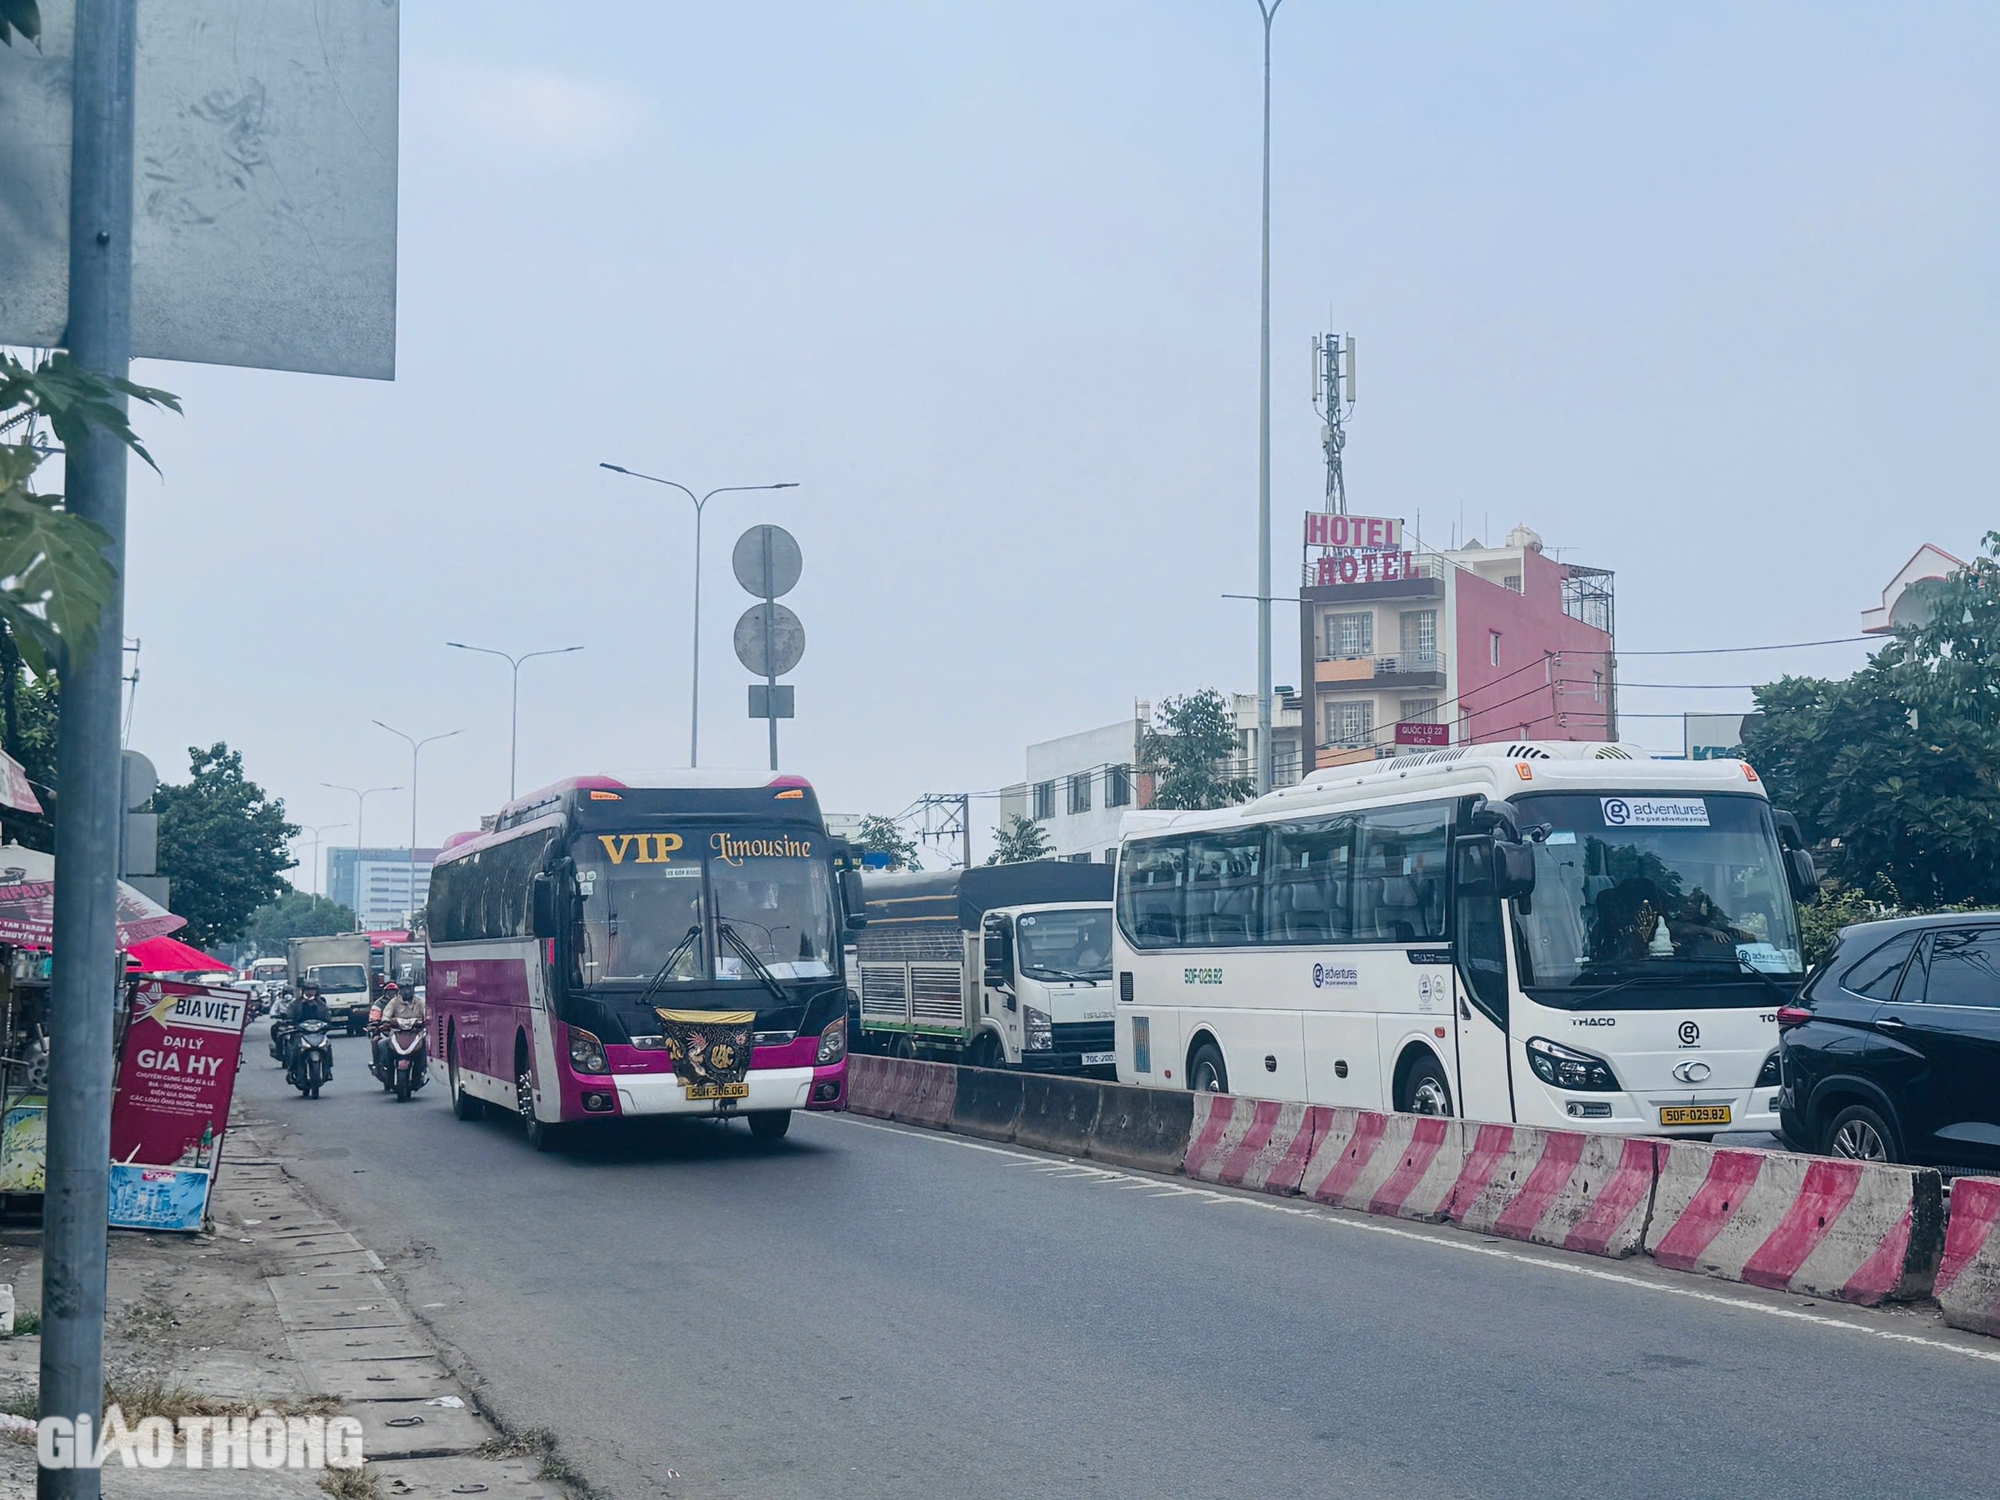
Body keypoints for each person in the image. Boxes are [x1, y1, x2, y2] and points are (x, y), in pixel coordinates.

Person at [371, 980, 426, 1074]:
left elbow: (426, 1015)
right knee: (381, 1044)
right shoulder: (393, 1002)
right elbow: (386, 1015)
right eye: (403, 988)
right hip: (397, 1033)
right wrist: (385, 1022)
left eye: (408, 987)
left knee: (426, 1046)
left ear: (413, 988)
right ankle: (383, 1068)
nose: (406, 991)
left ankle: (422, 1069)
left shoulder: (420, 1002)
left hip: (417, 1033)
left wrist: (425, 1022)